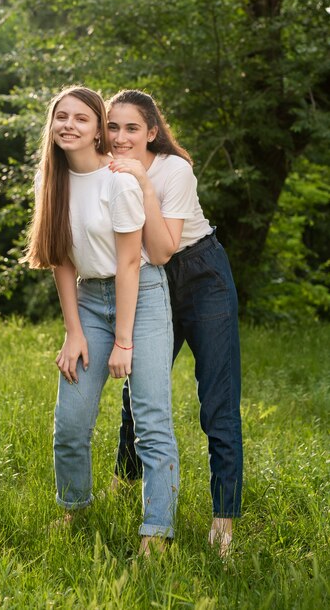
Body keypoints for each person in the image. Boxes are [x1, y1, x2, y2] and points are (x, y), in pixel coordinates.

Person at [22, 86, 179, 556]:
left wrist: (124, 342)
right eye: (60, 117)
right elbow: (61, 261)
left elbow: (132, 263)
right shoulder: (51, 183)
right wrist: (74, 332)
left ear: (97, 132)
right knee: (70, 421)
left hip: (142, 298)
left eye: (81, 119)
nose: (68, 124)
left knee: (150, 420)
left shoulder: (119, 182)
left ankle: (157, 531)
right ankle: (74, 508)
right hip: (87, 303)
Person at [107, 89, 243, 557]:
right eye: (113, 127)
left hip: (201, 275)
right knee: (137, 390)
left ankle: (223, 520)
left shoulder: (174, 169)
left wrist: (143, 183)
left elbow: (164, 248)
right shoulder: (103, 166)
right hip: (150, 283)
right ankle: (125, 483)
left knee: (218, 401)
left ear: (152, 131)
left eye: (131, 128)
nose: (121, 137)